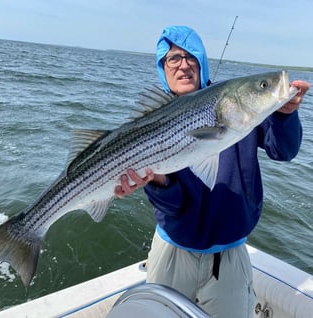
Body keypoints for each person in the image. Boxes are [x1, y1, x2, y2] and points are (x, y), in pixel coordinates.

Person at [114, 26, 310, 317]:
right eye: (173, 59)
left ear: (202, 60)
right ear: (162, 68)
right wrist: (158, 182)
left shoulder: (236, 105)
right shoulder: (154, 122)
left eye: (191, 56)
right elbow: (175, 206)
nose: (183, 64)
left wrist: (285, 114)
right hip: (172, 253)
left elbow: (285, 151)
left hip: (229, 257)